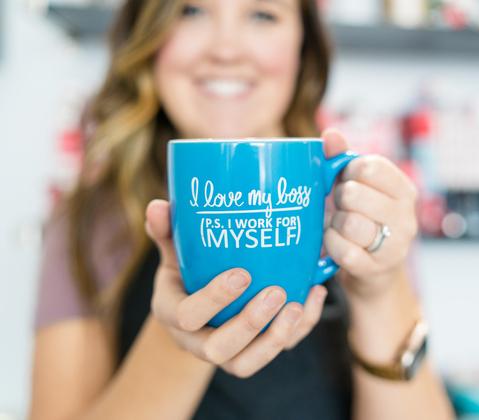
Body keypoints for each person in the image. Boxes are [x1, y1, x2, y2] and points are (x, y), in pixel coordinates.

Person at [29, 1, 454, 419]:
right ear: (147, 36)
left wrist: (382, 292)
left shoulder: (359, 208)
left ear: (303, 44)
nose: (226, 49)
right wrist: (179, 338)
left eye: (262, 14)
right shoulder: (89, 221)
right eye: (191, 11)